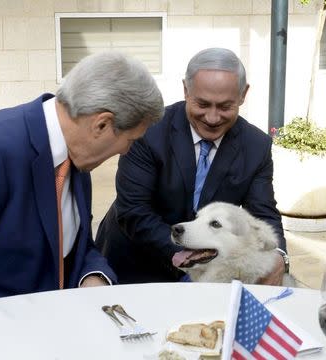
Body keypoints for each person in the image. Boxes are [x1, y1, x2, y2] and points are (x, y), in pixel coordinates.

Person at [0, 51, 164, 308]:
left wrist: (93, 275)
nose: (126, 151)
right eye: (130, 140)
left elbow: (74, 247)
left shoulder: (76, 156)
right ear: (101, 125)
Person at [95, 47, 288, 286]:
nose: (213, 117)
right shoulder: (148, 131)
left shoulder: (256, 145)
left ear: (243, 94)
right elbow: (134, 210)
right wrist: (190, 258)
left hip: (208, 271)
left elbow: (262, 214)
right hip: (135, 265)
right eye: (203, 104)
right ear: (186, 90)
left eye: (225, 106)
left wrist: (277, 255)